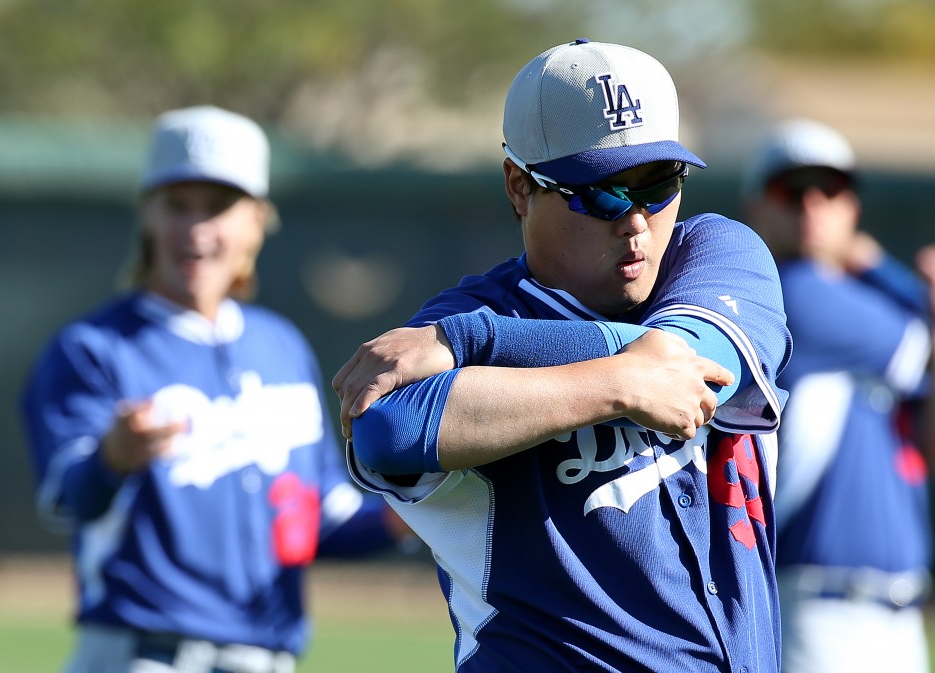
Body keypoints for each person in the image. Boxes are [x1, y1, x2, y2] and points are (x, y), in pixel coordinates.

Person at [332, 38, 793, 672]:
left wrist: (477, 344)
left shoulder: (718, 253)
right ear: (519, 187)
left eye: (657, 184)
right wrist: (619, 384)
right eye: (601, 192)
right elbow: (386, 430)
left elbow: (687, 363)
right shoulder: (468, 313)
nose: (634, 221)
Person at [21, 105, 411, 673]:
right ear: (146, 216)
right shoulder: (94, 348)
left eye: (219, 207)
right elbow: (69, 494)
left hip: (268, 655)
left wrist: (406, 513)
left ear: (257, 220)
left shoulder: (282, 345)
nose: (197, 230)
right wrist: (112, 455)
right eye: (176, 205)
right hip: (145, 653)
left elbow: (317, 519)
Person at [742, 118, 935, 673]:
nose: (811, 207)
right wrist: (880, 267)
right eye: (790, 191)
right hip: (814, 611)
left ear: (852, 204)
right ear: (757, 208)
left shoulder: (852, 305)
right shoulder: (793, 294)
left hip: (895, 614)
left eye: (830, 190)